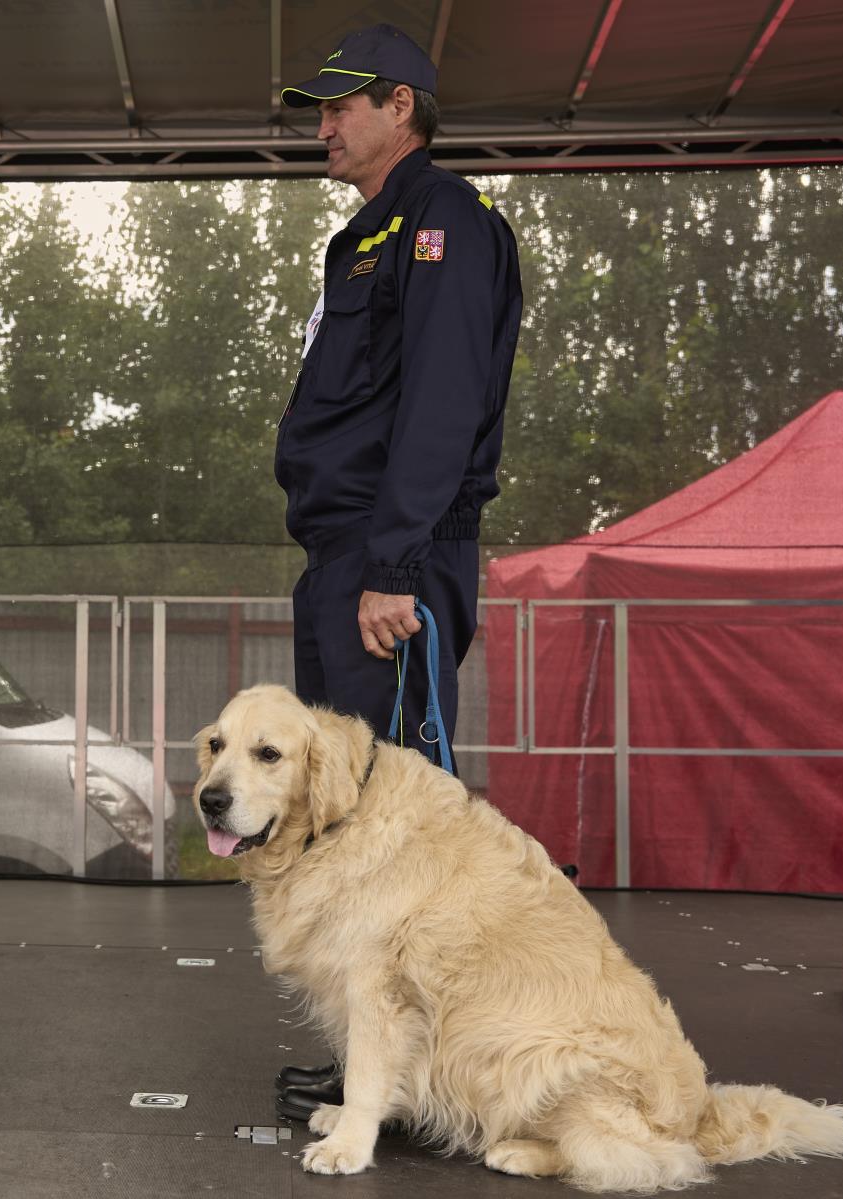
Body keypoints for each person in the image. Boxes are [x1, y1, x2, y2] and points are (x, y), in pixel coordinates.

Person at [270, 25, 523, 1121]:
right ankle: (374, 1057)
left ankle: (408, 1076)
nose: (320, 126)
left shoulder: (443, 224)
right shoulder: (373, 232)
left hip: (388, 560)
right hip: (347, 556)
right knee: (347, 824)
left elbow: (441, 404)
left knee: (388, 829)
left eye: (338, 107)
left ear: (400, 107)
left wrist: (392, 565)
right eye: (318, 111)